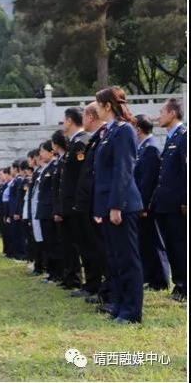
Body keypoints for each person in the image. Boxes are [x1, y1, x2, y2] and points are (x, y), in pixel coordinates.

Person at [94, 86, 143, 324]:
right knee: (114, 259)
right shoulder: (108, 132)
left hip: (122, 205)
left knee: (127, 259)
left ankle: (132, 311)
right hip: (108, 205)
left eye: (98, 104)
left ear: (107, 106)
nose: (95, 109)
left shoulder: (124, 131)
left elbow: (123, 170)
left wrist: (116, 205)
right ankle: (119, 305)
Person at [151, 98, 187, 302]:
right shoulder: (171, 139)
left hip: (178, 204)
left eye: (162, 112)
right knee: (172, 246)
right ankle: (179, 284)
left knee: (181, 246)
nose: (159, 116)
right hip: (165, 203)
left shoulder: (184, 137)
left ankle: (185, 286)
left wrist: (185, 200)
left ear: (173, 114)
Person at [75, 102, 110, 308]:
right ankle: (103, 288)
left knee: (103, 250)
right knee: (95, 248)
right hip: (91, 203)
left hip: (100, 203)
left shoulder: (104, 137)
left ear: (90, 117)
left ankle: (106, 288)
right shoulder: (96, 139)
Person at [134, 114, 170, 291]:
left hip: (148, 205)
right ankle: (150, 277)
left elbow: (148, 181)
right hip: (141, 204)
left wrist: (143, 204)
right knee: (145, 242)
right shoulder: (142, 148)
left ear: (138, 129)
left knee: (154, 242)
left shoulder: (150, 148)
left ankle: (161, 280)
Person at [58, 107, 90, 291]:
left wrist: (78, 203)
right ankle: (85, 282)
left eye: (64, 119)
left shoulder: (81, 142)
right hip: (71, 204)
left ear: (70, 120)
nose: (63, 123)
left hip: (78, 204)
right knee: (78, 245)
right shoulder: (74, 143)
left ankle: (91, 283)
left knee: (85, 246)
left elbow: (80, 177)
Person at [37, 140, 60, 284]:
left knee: (54, 244)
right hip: (44, 210)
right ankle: (52, 273)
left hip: (50, 209)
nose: (40, 154)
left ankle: (57, 273)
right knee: (48, 244)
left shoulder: (55, 166)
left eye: (43, 151)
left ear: (51, 152)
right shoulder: (47, 168)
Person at [49, 130, 68, 284]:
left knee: (71, 246)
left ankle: (73, 277)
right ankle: (67, 276)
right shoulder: (60, 161)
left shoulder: (65, 158)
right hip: (60, 207)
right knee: (63, 244)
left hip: (67, 208)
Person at [6, 160, 27, 260]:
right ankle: (16, 253)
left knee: (19, 234)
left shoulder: (19, 181)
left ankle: (21, 254)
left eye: (11, 168)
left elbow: (18, 198)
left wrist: (17, 212)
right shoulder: (16, 181)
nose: (11, 170)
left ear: (15, 169)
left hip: (16, 211)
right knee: (14, 233)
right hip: (13, 211)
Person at [0, 167, 11, 257]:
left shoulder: (7, 185)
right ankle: (5, 249)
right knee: (3, 231)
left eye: (1, 174)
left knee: (6, 231)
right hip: (0, 210)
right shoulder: (2, 186)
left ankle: (8, 250)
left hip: (5, 210)